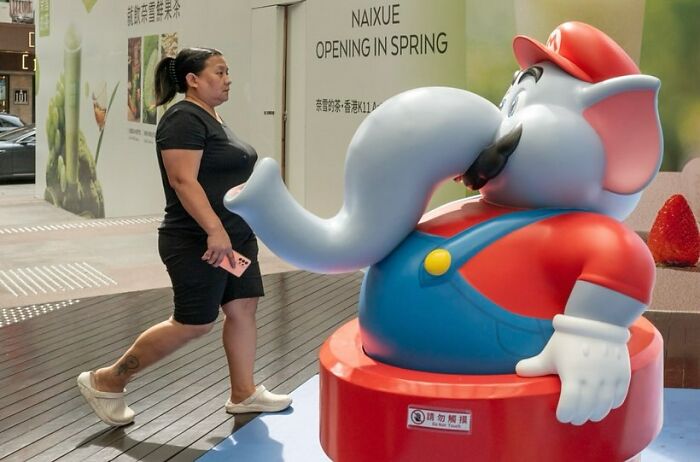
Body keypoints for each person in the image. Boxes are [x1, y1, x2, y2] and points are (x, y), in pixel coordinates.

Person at [77, 47, 292, 426]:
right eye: (219, 72)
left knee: (243, 307)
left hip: (234, 238)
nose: (228, 79)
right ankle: (108, 380)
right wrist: (215, 230)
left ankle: (243, 393)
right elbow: (182, 180)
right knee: (194, 322)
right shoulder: (183, 119)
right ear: (192, 80)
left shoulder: (213, 117)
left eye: (227, 72)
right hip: (198, 240)